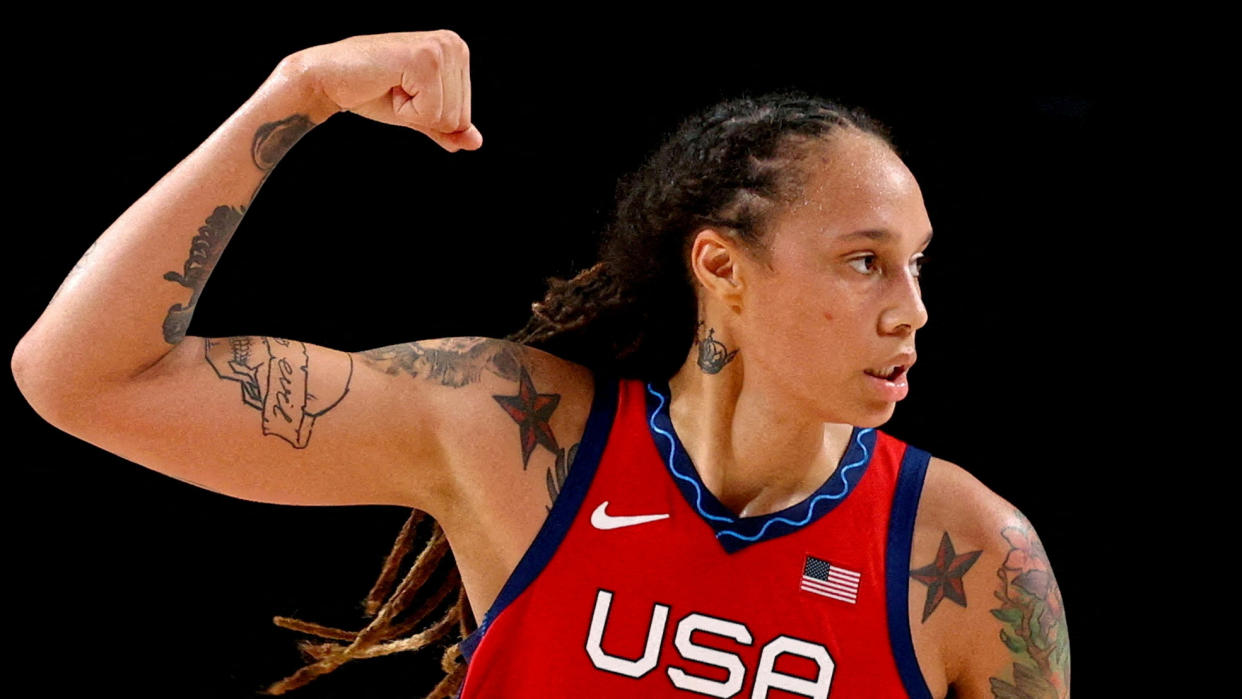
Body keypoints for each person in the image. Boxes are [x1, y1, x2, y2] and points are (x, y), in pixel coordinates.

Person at [11, 29, 1070, 698]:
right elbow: (86, 378)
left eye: (916, 265)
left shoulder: (976, 560)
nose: (912, 312)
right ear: (722, 268)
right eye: (864, 263)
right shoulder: (518, 438)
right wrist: (297, 95)